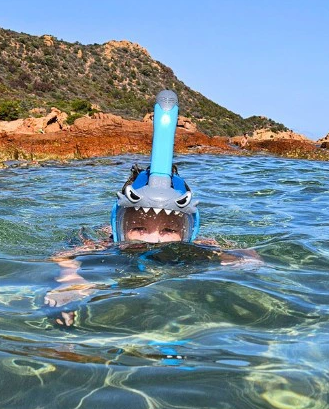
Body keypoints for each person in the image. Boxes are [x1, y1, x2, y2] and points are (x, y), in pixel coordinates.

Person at [44, 90, 259, 326]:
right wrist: (70, 278)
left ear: (190, 230)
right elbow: (63, 255)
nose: (153, 239)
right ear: (118, 224)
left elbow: (249, 256)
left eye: (168, 230)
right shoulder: (104, 243)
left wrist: (237, 262)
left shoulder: (201, 246)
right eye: (138, 227)